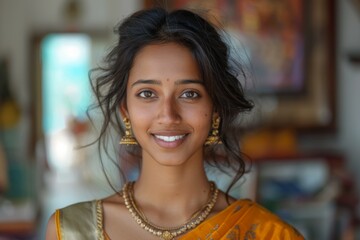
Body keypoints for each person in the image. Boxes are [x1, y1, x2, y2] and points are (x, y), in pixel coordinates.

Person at [46, 7, 304, 240]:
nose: (168, 115)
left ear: (215, 109)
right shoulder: (71, 231)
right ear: (126, 110)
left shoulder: (268, 234)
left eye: (189, 94)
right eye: (147, 94)